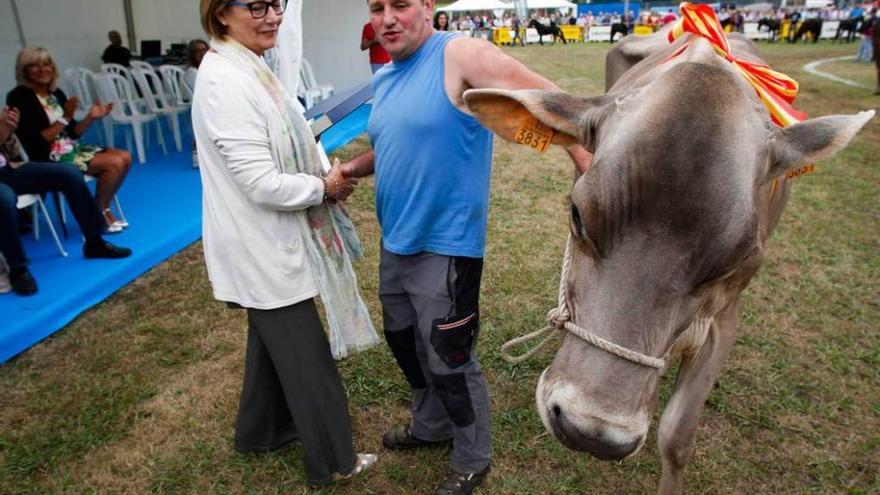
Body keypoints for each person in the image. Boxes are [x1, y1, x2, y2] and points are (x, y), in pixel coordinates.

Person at [342, 1, 592, 494]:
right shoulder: (386, 78)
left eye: (401, 5)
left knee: (448, 358)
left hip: (447, 245)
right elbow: (393, 140)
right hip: (397, 241)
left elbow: (539, 93)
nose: (388, 18)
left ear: (428, 8)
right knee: (403, 340)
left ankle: (473, 456)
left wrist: (583, 154)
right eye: (377, 7)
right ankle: (430, 422)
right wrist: (351, 169)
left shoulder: (457, 55)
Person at [193, 0, 378, 488]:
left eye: (276, 4)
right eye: (257, 6)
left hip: (266, 241)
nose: (273, 14)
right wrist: (324, 188)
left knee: (269, 340)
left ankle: (261, 431)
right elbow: (260, 183)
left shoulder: (244, 65)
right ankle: (336, 459)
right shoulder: (224, 81)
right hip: (261, 245)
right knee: (305, 359)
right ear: (221, 14)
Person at [0, 106, 132, 296]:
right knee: (4, 198)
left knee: (69, 173)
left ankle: (94, 242)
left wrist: (8, 132)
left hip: (9, 170)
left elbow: (16, 154)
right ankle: (18, 268)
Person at [7, 46, 132, 233]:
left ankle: (101, 207)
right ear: (24, 70)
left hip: (68, 148)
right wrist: (64, 117)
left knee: (125, 157)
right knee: (113, 163)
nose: (43, 69)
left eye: (47, 64)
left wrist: (91, 117)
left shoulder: (55, 94)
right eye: (34, 65)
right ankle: (97, 213)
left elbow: (73, 132)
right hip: (45, 156)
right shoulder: (19, 96)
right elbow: (37, 141)